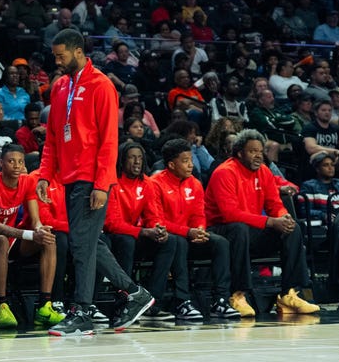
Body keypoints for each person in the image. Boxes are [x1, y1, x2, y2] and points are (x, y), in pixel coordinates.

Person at [38, 29, 154, 336]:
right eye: (55, 55)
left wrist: (102, 184)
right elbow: (51, 137)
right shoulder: (59, 85)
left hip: (91, 179)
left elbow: (109, 141)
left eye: (61, 55)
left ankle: (82, 312)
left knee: (81, 245)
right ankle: (134, 292)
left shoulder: (102, 85)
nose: (57, 60)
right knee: (91, 244)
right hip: (68, 178)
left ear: (78, 52)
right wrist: (44, 175)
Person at [205, 129, 319, 317]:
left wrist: (284, 217)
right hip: (221, 231)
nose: (258, 156)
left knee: (293, 229)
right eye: (252, 151)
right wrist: (270, 221)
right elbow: (230, 214)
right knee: (238, 229)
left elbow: (274, 204)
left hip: (251, 229)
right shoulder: (224, 172)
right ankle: (237, 295)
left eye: (260, 151)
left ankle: (288, 294)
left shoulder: (264, 171)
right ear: (240, 153)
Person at [150, 139, 241, 320]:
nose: (191, 164)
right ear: (171, 164)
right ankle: (182, 301)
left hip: (190, 236)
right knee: (179, 242)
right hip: (166, 240)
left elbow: (199, 215)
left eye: (191, 159)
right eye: (185, 161)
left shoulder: (195, 183)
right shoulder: (155, 183)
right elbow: (157, 221)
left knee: (220, 243)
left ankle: (220, 300)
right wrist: (187, 232)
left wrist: (199, 230)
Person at [0, 144, 61, 328]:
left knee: (48, 239)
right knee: (2, 240)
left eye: (20, 162)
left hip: (12, 238)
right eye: (11, 161)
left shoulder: (28, 181)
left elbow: (35, 219)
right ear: (1, 163)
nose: (17, 165)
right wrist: (29, 234)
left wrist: (39, 229)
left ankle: (44, 306)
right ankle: (1, 305)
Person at [103, 142, 176, 320]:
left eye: (140, 158)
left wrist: (158, 228)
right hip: (112, 237)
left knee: (170, 241)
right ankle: (124, 302)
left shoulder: (147, 183)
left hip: (135, 234)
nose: (137, 162)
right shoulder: (112, 181)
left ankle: (153, 303)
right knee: (125, 240)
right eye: (132, 157)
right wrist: (143, 232)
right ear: (122, 160)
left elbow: (154, 215)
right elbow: (112, 223)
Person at [299, 151, 339, 223]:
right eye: (325, 165)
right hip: (323, 223)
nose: (330, 168)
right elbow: (305, 211)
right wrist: (324, 216)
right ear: (317, 169)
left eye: (332, 165)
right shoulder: (309, 186)